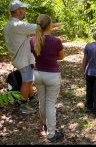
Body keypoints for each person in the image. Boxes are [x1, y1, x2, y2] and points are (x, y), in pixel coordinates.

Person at [30, 14, 65, 142]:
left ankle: (45, 125)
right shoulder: (56, 41)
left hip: (38, 74)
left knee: (42, 101)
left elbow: (35, 53)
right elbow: (61, 57)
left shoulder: (33, 40)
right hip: (52, 75)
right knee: (50, 104)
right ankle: (51, 134)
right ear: (50, 25)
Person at [3, 0, 37, 114]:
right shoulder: (19, 25)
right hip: (23, 59)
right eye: (23, 9)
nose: (24, 11)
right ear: (17, 11)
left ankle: (32, 98)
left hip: (19, 58)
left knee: (28, 80)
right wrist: (53, 25)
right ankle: (24, 105)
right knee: (26, 81)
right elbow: (39, 28)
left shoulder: (8, 26)